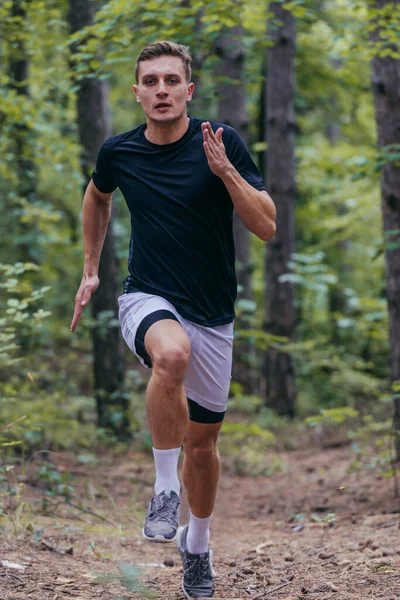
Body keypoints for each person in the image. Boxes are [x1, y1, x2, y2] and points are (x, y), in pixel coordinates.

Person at [70, 40, 276, 599]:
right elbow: (97, 196)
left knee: (204, 448)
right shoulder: (120, 151)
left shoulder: (220, 142)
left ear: (189, 89)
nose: (161, 90)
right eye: (150, 81)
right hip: (148, 297)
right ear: (137, 92)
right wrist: (91, 267)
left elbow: (266, 226)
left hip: (213, 313)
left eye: (171, 80)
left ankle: (198, 543)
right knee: (170, 354)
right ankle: (164, 491)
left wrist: (227, 174)